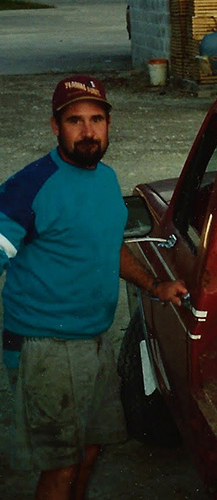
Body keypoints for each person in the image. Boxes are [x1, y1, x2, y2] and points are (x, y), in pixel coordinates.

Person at [0, 75, 188, 500]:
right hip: (45, 347)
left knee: (90, 450)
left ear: (108, 124)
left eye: (96, 119)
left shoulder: (105, 179)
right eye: (75, 121)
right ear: (56, 126)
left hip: (95, 341)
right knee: (61, 466)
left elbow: (109, 247)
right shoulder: (30, 186)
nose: (88, 131)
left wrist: (156, 285)